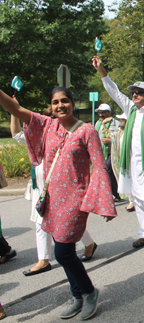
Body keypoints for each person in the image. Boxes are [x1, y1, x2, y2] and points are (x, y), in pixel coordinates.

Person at [0, 86, 117, 320]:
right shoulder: (47, 125)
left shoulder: (87, 131)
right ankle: (76, 295)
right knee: (62, 251)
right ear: (51, 107)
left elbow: (99, 166)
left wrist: (105, 200)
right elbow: (15, 107)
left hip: (75, 200)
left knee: (63, 253)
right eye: (55, 102)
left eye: (65, 101)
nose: (60, 105)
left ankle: (89, 292)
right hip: (52, 200)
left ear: (73, 104)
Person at [93, 55, 144, 247]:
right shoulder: (130, 109)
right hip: (133, 163)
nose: (135, 95)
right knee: (139, 199)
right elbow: (114, 92)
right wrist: (102, 71)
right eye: (133, 92)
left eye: (140, 92)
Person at [10, 106, 99, 273]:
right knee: (46, 222)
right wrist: (13, 112)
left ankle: (49, 259)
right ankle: (45, 258)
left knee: (63, 223)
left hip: (60, 190)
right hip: (41, 188)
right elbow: (16, 134)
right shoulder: (37, 136)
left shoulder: (64, 137)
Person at [94, 103, 121, 202]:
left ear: (109, 112)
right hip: (100, 152)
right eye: (99, 113)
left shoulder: (116, 123)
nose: (101, 115)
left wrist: (110, 141)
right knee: (110, 173)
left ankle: (106, 194)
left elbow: (120, 137)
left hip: (112, 152)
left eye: (103, 112)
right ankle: (116, 194)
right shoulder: (98, 124)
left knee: (106, 169)